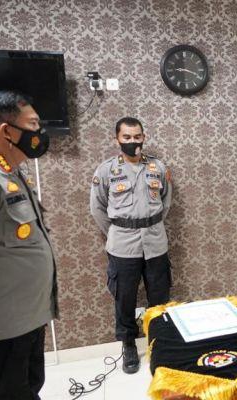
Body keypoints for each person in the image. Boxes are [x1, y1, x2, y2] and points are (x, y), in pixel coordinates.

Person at [0, 91, 57, 399]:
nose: (40, 132)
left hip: (26, 320)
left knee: (28, 388)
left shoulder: (9, 172)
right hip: (0, 330)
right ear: (7, 131)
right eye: (33, 124)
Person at [90, 117, 172, 374]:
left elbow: (166, 202)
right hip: (122, 244)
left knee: (159, 296)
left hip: (155, 241)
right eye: (126, 137)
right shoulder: (106, 171)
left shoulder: (158, 167)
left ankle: (159, 343)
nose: (132, 141)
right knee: (124, 298)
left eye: (137, 136)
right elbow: (97, 208)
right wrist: (118, 231)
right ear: (117, 139)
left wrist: (148, 224)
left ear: (144, 137)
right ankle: (128, 344)